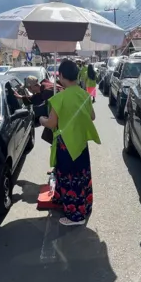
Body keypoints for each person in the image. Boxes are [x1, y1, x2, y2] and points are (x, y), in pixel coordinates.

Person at [40, 60, 100, 226]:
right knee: (81, 175)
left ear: (62, 76)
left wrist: (41, 119)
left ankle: (76, 216)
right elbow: (92, 116)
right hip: (80, 142)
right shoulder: (84, 94)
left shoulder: (59, 98)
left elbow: (51, 123)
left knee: (69, 177)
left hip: (66, 144)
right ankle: (84, 206)